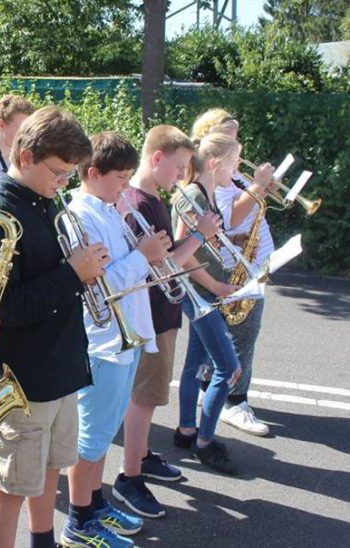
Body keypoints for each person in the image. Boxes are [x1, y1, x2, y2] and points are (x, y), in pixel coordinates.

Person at [0, 106, 104, 548]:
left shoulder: (44, 202)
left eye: (69, 175)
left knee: (49, 470)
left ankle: (43, 540)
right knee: (11, 485)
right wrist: (72, 274)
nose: (63, 182)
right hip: (22, 377)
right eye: (58, 172)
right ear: (25, 156)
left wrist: (80, 272)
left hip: (58, 367)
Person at [62, 132, 172, 548]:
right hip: (104, 343)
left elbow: (129, 268)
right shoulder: (82, 214)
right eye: (121, 179)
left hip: (125, 340)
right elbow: (103, 282)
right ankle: (77, 521)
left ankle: (92, 504)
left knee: (104, 434)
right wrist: (144, 255)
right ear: (93, 173)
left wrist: (148, 254)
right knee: (89, 442)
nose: (127, 186)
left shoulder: (109, 209)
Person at [113, 125, 221, 518]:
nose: (181, 176)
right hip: (151, 316)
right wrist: (200, 236)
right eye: (177, 167)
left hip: (163, 313)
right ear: (156, 158)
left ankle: (141, 455)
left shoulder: (152, 197)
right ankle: (130, 476)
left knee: (151, 395)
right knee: (145, 397)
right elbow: (158, 268)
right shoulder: (137, 203)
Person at [190, 109, 275, 437]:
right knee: (242, 332)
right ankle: (233, 401)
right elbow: (229, 217)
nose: (236, 142)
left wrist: (260, 189)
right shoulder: (213, 179)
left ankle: (214, 387)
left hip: (251, 261)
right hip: (234, 267)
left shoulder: (230, 173)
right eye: (229, 137)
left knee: (239, 333)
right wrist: (257, 186)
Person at [171, 132, 245, 474]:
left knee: (195, 363)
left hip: (204, 291)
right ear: (214, 163)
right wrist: (215, 283)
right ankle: (205, 441)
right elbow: (181, 255)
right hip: (198, 292)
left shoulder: (207, 194)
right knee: (228, 368)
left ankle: (187, 429)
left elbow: (206, 244)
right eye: (234, 161)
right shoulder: (192, 198)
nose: (238, 167)